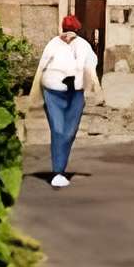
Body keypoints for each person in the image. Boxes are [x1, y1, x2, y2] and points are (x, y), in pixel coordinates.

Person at [30, 14, 100, 186]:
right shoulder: (53, 44)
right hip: (53, 92)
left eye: (71, 32)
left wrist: (97, 88)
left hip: (75, 93)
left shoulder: (83, 46)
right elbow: (41, 68)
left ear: (76, 31)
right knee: (58, 130)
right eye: (65, 32)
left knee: (69, 133)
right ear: (62, 30)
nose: (67, 35)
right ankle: (58, 171)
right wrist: (35, 91)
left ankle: (60, 168)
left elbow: (90, 67)